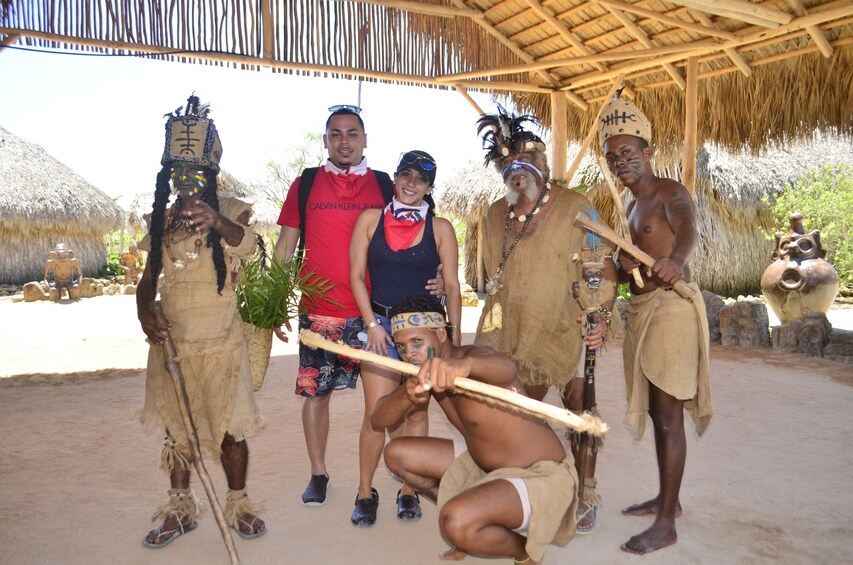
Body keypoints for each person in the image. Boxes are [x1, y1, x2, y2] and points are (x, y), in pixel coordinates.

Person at [273, 106, 445, 510]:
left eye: (352, 133)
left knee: (396, 404)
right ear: (326, 140)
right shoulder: (305, 184)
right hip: (321, 312)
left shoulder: (387, 183)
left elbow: (424, 235)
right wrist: (278, 299)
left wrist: (438, 274)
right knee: (316, 394)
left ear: (365, 140)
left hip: (383, 315)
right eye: (336, 134)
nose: (344, 140)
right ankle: (318, 473)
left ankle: (405, 478)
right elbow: (284, 245)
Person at [474, 107, 617, 533]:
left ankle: (584, 491)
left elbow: (601, 261)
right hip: (508, 330)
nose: (520, 171)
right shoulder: (493, 215)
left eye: (529, 160)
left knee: (578, 406)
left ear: (544, 164)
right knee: (516, 412)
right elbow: (490, 276)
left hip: (565, 327)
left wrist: (602, 314)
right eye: (509, 165)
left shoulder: (577, 207)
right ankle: (523, 490)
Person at [137, 94, 265, 548]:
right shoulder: (161, 218)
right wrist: (143, 310)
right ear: (169, 177)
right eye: (179, 175)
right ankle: (179, 508)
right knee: (177, 431)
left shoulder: (232, 209)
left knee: (230, 429)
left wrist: (216, 222)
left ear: (211, 173)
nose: (186, 183)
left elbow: (250, 249)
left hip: (222, 343)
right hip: (173, 343)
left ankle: (238, 505)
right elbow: (148, 278)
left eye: (196, 174)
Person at [372, 294, 578, 564]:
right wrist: (406, 395)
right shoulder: (422, 373)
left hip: (542, 475)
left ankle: (524, 552)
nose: (409, 353)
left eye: (417, 342)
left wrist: (463, 368)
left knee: (455, 523)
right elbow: (378, 420)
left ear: (440, 335)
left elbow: (506, 368)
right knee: (396, 454)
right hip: (483, 467)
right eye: (401, 346)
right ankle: (472, 504)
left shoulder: (473, 357)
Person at [599, 93, 713, 555]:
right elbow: (633, 269)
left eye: (628, 152)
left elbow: (687, 228)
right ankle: (670, 501)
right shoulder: (628, 208)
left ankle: (665, 523)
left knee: (668, 419)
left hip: (671, 310)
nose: (621, 162)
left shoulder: (669, 191)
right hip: (645, 311)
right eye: (613, 157)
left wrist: (678, 261)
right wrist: (626, 264)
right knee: (653, 410)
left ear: (648, 152)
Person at [349, 150, 462, 526]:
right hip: (380, 326)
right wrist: (371, 324)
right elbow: (356, 276)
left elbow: (452, 284)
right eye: (406, 175)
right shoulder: (370, 219)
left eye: (421, 179)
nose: (412, 184)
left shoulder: (440, 227)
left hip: (423, 331)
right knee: (375, 415)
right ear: (395, 177)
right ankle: (365, 492)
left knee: (416, 410)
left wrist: (454, 339)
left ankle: (409, 488)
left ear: (430, 187)